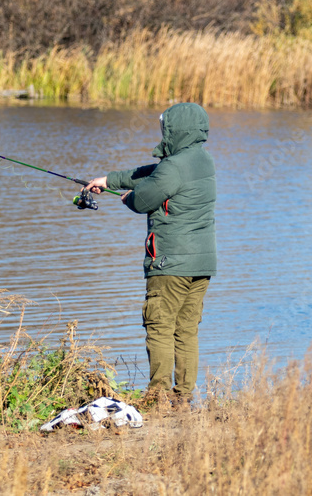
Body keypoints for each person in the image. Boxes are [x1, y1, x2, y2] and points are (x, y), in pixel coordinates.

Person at [84, 102, 216, 401]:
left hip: (169, 263)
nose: (162, 131)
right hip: (201, 264)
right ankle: (183, 397)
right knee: (186, 330)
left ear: (175, 130)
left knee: (158, 324)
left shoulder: (174, 166)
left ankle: (158, 395)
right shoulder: (200, 160)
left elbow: (143, 200)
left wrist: (128, 198)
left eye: (165, 126)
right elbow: (154, 174)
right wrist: (110, 181)